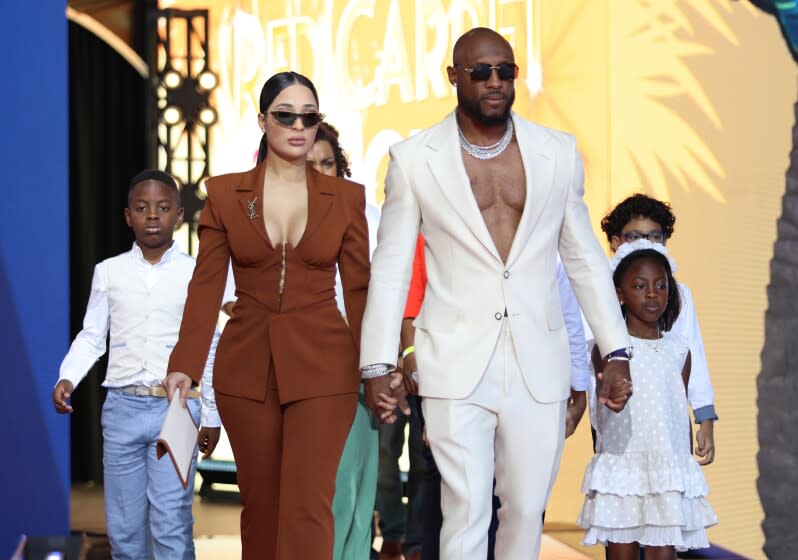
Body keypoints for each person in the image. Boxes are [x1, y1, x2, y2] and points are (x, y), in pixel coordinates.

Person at [359, 27, 633, 558]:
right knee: (464, 509)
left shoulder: (556, 152)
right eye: (481, 71)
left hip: (538, 356)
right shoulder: (415, 159)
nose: (494, 82)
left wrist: (615, 349)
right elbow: (391, 267)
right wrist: (376, 366)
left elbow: (582, 258)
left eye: (505, 71)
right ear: (453, 77)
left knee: (528, 510)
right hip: (454, 358)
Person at [163, 71, 371, 559]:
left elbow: (360, 289)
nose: (298, 125)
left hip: (325, 367)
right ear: (262, 120)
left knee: (309, 506)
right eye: (285, 115)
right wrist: (185, 364)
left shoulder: (346, 198)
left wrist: (376, 366)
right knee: (261, 506)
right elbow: (206, 285)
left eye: (309, 116)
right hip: (247, 369)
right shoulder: (224, 195)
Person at [51, 169, 221, 559]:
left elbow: (209, 345)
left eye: (163, 208)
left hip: (175, 408)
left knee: (172, 523)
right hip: (122, 408)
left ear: (179, 216)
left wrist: (211, 414)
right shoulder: (109, 272)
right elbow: (93, 336)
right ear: (128, 216)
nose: (153, 216)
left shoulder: (196, 273)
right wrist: (67, 377)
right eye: (142, 209)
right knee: (125, 531)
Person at [578, 240, 718, 557]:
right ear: (620, 294)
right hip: (624, 467)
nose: (652, 293)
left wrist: (697, 431)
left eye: (661, 286)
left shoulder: (679, 349)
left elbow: (676, 405)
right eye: (640, 286)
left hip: (666, 468)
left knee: (662, 553)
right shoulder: (609, 348)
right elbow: (610, 389)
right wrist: (614, 393)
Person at [597, 193, 717, 463]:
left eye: (655, 236)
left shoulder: (677, 294)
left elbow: (691, 354)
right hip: (620, 417)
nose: (647, 244)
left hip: (669, 422)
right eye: (635, 236)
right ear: (616, 241)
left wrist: (704, 417)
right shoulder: (597, 293)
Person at [308, 121, 380, 560]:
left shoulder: (368, 217)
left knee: (356, 488)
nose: (318, 171)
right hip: (304, 373)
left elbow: (388, 294)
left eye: (327, 162)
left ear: (341, 166)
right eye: (309, 163)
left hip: (359, 369)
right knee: (321, 493)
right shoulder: (279, 217)